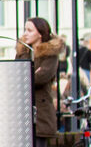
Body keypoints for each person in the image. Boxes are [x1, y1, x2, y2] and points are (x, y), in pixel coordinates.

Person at [19, 17, 64, 147]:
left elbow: (41, 77)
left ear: (40, 33)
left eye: (29, 30)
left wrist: (24, 77)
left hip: (40, 112)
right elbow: (15, 75)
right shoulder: (22, 53)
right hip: (22, 110)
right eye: (25, 30)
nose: (25, 33)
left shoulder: (50, 54)